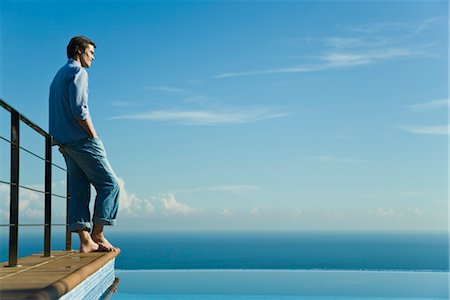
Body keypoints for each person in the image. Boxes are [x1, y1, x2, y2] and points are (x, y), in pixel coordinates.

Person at [49, 36, 119, 253]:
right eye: (90, 52)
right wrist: (94, 135)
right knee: (110, 185)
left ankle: (85, 240)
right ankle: (98, 234)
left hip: (64, 142)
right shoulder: (79, 72)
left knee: (79, 189)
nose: (93, 57)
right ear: (78, 51)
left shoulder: (59, 75)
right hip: (81, 140)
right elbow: (80, 110)